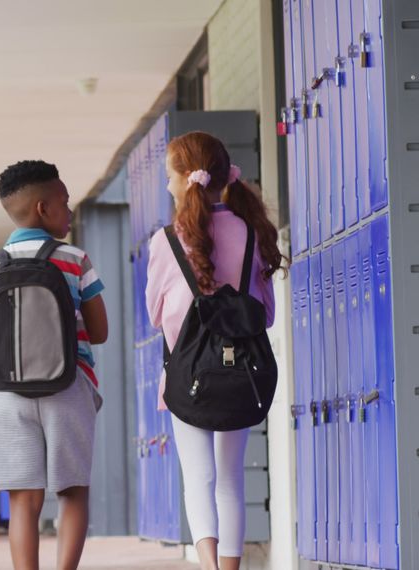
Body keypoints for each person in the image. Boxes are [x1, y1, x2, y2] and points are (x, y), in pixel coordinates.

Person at [146, 132, 285, 570]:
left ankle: (209, 567)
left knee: (198, 477)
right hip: (239, 372)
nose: (167, 185)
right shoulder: (250, 231)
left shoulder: (167, 240)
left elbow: (156, 314)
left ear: (187, 178)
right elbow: (265, 314)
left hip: (188, 374)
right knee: (230, 479)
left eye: (169, 176)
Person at [0, 161, 108, 570]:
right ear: (43, 209)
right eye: (65, 202)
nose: (69, 210)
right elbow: (98, 332)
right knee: (72, 492)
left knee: (23, 500)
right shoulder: (74, 259)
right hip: (68, 387)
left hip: (8, 396)